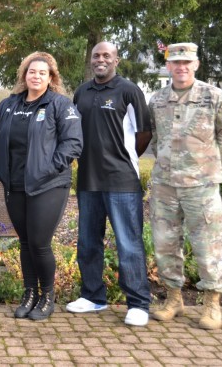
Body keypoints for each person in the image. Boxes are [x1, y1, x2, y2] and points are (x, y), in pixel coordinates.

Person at [148, 42, 222, 330]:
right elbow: (155, 138)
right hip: (165, 185)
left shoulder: (213, 96)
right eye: (175, 62)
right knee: (165, 244)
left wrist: (208, 166)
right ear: (168, 66)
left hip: (201, 186)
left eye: (186, 62)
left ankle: (212, 303)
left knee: (207, 245)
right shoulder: (157, 100)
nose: (181, 67)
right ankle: (174, 298)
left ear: (196, 64)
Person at [0, 52, 82, 320]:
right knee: (25, 242)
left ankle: (47, 297)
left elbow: (73, 143)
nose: (36, 76)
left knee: (40, 243)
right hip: (15, 185)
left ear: (51, 77)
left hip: (48, 186)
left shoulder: (60, 105)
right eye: (31, 72)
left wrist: (48, 170)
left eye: (42, 72)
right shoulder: (8, 105)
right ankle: (29, 293)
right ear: (24, 75)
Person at [68, 41, 153, 327]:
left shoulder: (129, 90)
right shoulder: (81, 92)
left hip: (122, 182)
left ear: (116, 60)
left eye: (106, 55)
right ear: (90, 60)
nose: (100, 59)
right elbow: (74, 133)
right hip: (88, 180)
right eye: (96, 55)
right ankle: (93, 297)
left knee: (129, 244)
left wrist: (122, 159)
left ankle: (139, 303)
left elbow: (144, 134)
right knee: (88, 242)